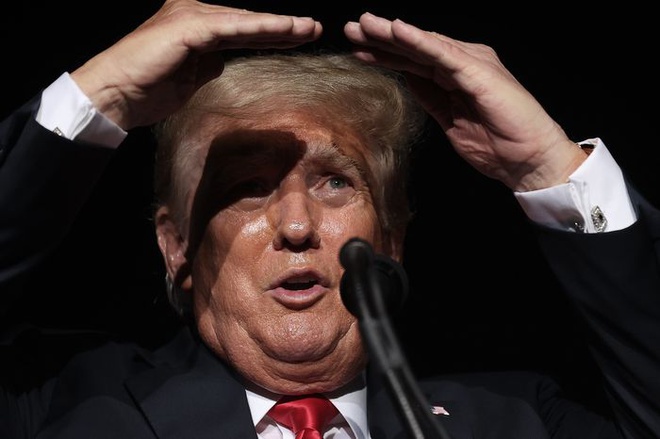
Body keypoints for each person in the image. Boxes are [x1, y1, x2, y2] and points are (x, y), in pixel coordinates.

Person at [0, 1, 658, 438]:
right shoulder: (60, 402)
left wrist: (548, 167)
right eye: (248, 187)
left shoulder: (518, 421)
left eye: (336, 182)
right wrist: (99, 95)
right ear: (176, 246)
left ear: (390, 242)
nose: (296, 225)